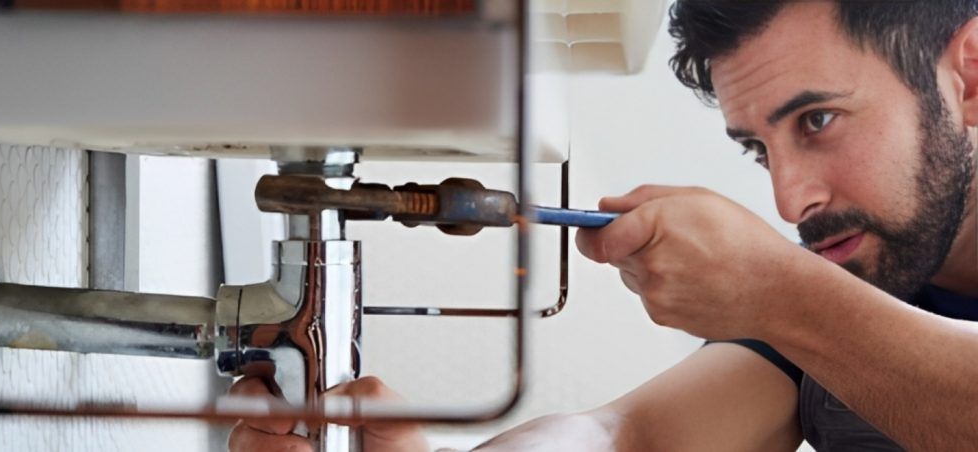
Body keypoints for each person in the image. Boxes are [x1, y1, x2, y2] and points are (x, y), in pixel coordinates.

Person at [230, 1, 978, 450]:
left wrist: (776, 290)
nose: (789, 201)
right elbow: (624, 438)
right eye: (758, 148)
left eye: (817, 120)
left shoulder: (808, 301)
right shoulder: (838, 291)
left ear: (968, 75)